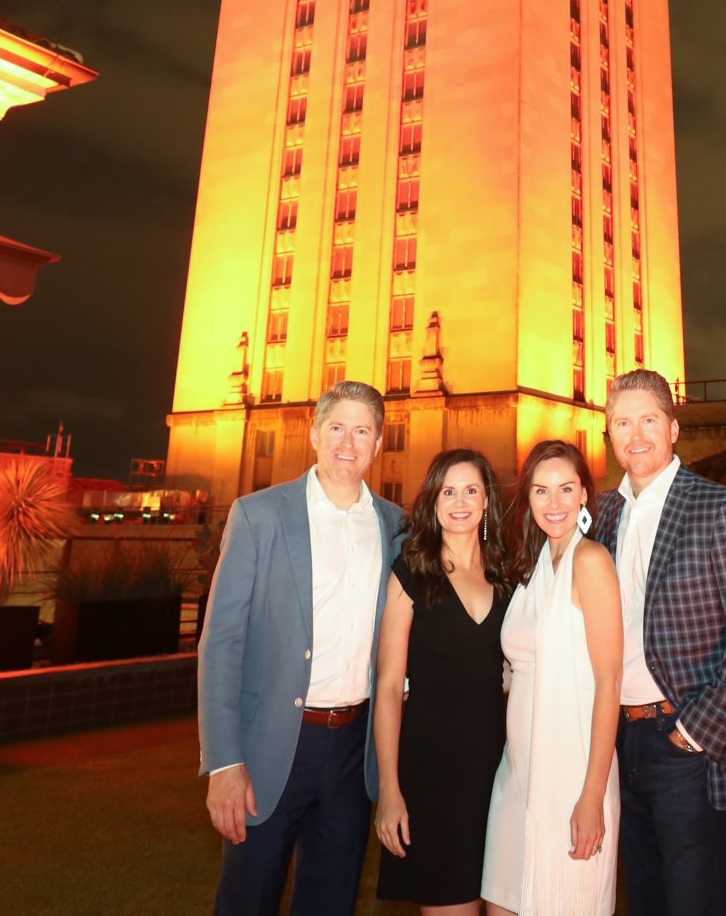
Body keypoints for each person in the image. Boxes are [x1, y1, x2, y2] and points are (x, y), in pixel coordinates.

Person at [198, 380, 406, 916]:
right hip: (271, 747)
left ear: (378, 443)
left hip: (352, 755)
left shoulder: (394, 526)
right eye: (337, 427)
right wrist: (224, 762)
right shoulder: (259, 514)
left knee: (331, 902)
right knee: (249, 898)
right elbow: (221, 641)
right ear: (314, 433)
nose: (348, 442)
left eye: (362, 431)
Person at [594, 370, 726, 916]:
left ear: (674, 428)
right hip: (616, 743)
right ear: (608, 433)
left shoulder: (719, 509)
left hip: (684, 741)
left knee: (697, 902)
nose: (636, 435)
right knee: (646, 899)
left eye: (648, 420)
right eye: (622, 423)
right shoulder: (604, 514)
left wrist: (692, 735)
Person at [479, 440, 622, 916]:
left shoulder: (590, 560)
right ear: (528, 498)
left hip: (570, 777)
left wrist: (592, 796)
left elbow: (609, 682)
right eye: (541, 491)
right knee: (501, 901)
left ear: (585, 493)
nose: (554, 503)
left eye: (566, 489)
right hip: (517, 774)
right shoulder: (536, 566)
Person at [374, 449, 514, 914]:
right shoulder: (412, 572)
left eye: (471, 490)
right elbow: (391, 687)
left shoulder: (507, 577)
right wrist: (390, 790)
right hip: (432, 778)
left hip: (501, 775)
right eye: (448, 490)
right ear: (432, 500)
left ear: (487, 502)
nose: (460, 501)